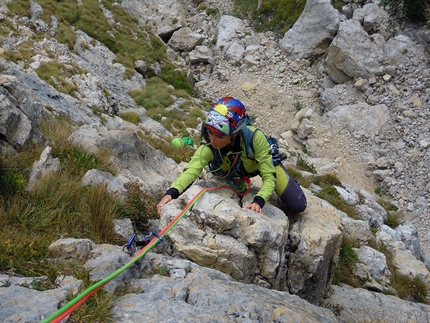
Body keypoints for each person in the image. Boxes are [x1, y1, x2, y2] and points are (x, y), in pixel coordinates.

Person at [157, 96, 307, 216]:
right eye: (210, 133)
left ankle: (291, 181)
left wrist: (258, 201)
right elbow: (191, 170)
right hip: (238, 169)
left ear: (234, 133)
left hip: (261, 166)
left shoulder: (255, 138)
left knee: (298, 205)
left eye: (220, 136)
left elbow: (268, 176)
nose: (213, 140)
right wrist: (171, 193)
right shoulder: (210, 145)